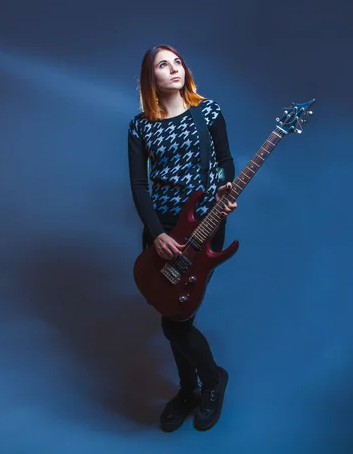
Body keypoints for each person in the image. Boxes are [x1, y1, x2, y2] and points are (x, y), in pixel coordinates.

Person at [127, 44, 237, 432]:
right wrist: (156, 235)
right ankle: (189, 389)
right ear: (150, 77)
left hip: (204, 225)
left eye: (177, 61)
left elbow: (226, 163)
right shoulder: (140, 124)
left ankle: (210, 382)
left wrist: (225, 190)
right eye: (162, 64)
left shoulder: (207, 111)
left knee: (176, 322)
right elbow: (139, 186)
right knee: (169, 311)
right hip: (161, 231)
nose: (174, 68)